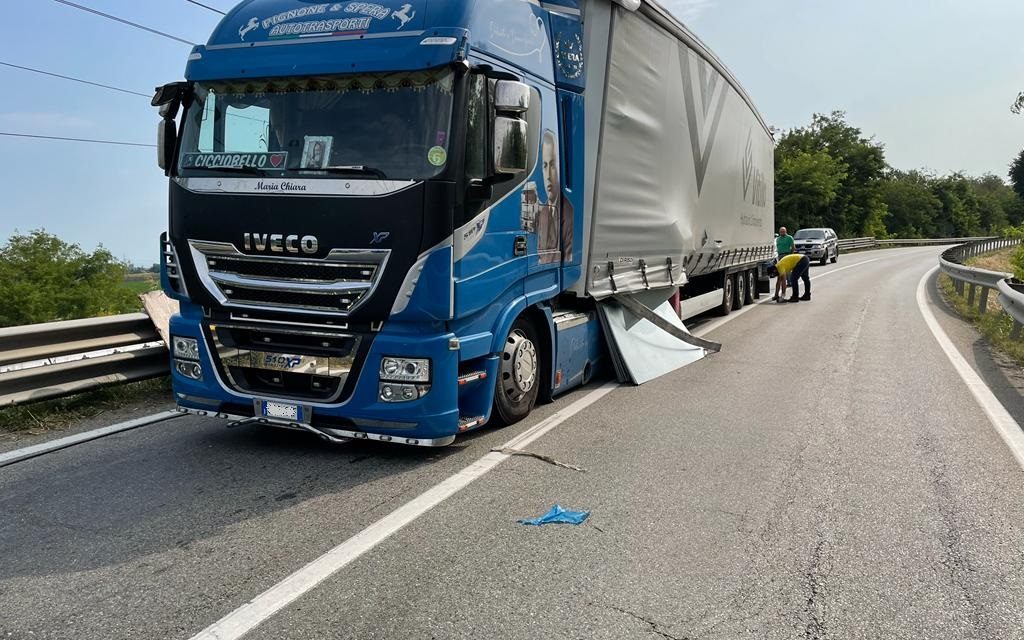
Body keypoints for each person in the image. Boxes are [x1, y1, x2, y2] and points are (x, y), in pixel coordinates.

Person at [773, 226, 795, 301]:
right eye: (781, 231)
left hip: (787, 255)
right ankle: (776, 294)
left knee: (784, 275)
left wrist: (790, 255)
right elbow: (776, 248)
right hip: (780, 256)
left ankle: (784, 293)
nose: (782, 232)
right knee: (779, 277)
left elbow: (793, 247)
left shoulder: (789, 238)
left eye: (783, 231)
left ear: (786, 231)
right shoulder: (777, 239)